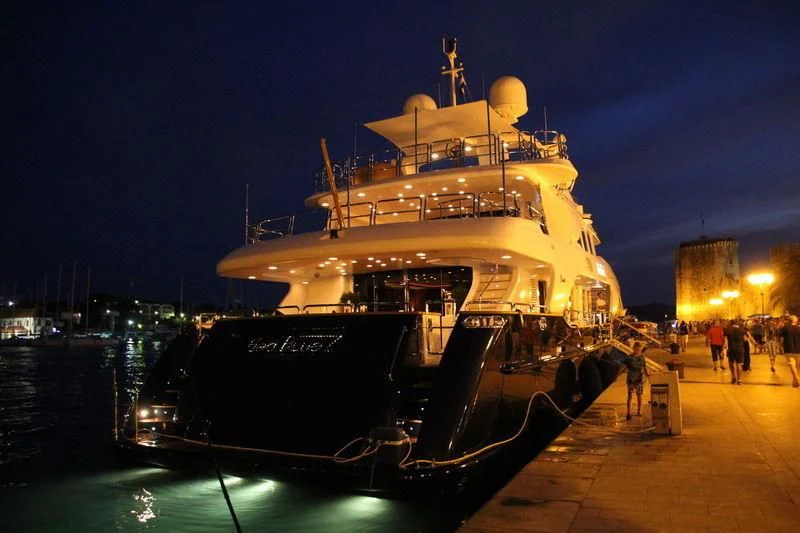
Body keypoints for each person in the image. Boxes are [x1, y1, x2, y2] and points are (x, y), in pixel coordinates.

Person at [623, 341, 649, 420]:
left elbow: (644, 367)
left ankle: (639, 410)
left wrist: (647, 375)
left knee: (639, 395)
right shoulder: (629, 358)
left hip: (639, 379)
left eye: (639, 350)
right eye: (637, 349)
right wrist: (616, 376)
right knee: (630, 396)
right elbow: (623, 367)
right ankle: (628, 412)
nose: (638, 351)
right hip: (631, 379)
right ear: (633, 348)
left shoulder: (642, 357)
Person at [723, 319, 752, 385]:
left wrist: (724, 349)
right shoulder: (742, 330)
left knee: (731, 363)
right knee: (739, 364)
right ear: (737, 323)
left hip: (731, 349)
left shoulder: (727, 330)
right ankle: (739, 379)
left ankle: (733, 377)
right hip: (740, 349)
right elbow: (745, 339)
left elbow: (725, 342)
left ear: (731, 323)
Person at [779, 315, 800, 388]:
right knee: (798, 365)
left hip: (788, 349)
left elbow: (782, 339)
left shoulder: (785, 328)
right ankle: (796, 380)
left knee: (792, 365)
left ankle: (796, 379)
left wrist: (780, 347)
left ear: (789, 321)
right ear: (796, 321)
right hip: (798, 350)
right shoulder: (799, 328)